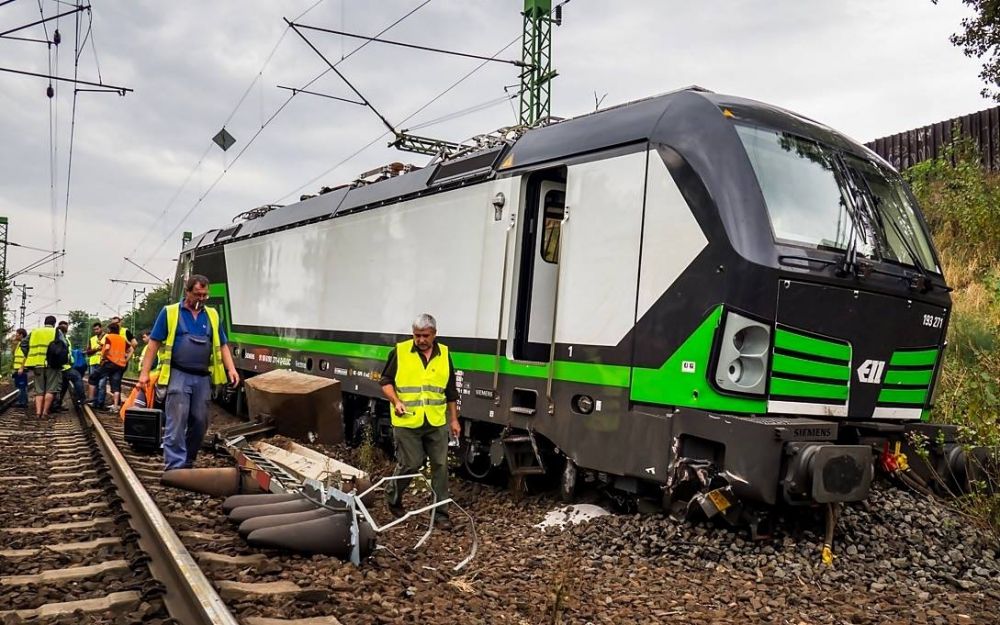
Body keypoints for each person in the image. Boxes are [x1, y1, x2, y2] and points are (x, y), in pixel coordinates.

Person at [139, 274, 239, 471]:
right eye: (197, 294)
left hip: (202, 377)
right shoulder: (170, 313)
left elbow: (223, 345)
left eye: (205, 295)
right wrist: (144, 373)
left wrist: (232, 369)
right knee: (177, 420)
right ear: (187, 292)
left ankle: (188, 460)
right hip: (178, 374)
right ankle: (174, 466)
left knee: (200, 421)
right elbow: (153, 344)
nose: (201, 299)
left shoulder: (212, 315)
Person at [379, 313, 461, 529]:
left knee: (441, 466)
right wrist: (396, 401)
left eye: (425, 335)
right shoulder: (400, 351)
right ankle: (393, 495)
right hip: (407, 421)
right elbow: (385, 382)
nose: (421, 340)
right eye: (417, 335)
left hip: (435, 421)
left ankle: (441, 516)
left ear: (434, 334)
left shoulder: (444, 354)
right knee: (411, 464)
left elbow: (451, 391)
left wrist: (454, 420)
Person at [18, 315, 68, 418]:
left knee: (39, 390)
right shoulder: (56, 332)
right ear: (54, 323)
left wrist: (30, 355)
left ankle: (38, 413)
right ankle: (45, 412)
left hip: (37, 364)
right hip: (52, 364)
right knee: (50, 389)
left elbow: (23, 344)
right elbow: (64, 345)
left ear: (44, 322)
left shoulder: (35, 331)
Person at [89, 322, 129, 412]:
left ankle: (91, 399)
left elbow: (107, 348)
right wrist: (126, 359)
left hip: (109, 363)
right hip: (120, 365)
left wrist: (103, 357)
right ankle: (115, 407)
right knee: (116, 385)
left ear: (110, 330)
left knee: (93, 377)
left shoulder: (109, 337)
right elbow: (130, 349)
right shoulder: (122, 339)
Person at [52, 320, 85, 412]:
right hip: (62, 366)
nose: (64, 328)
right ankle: (81, 399)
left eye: (65, 327)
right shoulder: (60, 338)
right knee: (77, 377)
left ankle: (57, 404)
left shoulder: (66, 339)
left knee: (64, 386)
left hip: (65, 365)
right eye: (63, 327)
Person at [11, 329, 28, 409]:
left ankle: (22, 402)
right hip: (18, 368)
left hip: (22, 369)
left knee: (22, 386)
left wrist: (21, 367)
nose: (16, 335)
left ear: (21, 335)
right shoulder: (19, 343)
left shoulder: (24, 344)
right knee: (20, 386)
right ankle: (22, 401)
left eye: (17, 334)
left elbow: (25, 356)